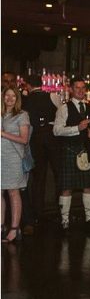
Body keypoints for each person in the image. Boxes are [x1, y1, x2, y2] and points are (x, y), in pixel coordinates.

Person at [53, 77, 90, 231]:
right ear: (71, 89)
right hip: (69, 151)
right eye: (77, 88)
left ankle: (89, 218)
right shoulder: (63, 108)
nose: (80, 90)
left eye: (82, 88)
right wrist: (77, 128)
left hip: (87, 151)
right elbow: (57, 130)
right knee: (67, 188)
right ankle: (64, 220)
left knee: (88, 186)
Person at [22, 74, 62, 229]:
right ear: (42, 83)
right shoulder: (52, 96)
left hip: (35, 138)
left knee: (39, 177)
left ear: (28, 86)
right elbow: (60, 115)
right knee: (58, 173)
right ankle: (60, 211)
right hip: (52, 136)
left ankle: (37, 213)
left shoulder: (25, 100)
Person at [1, 86, 31, 243]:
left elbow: (24, 139)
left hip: (14, 159)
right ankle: (1, 227)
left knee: (13, 192)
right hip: (0, 158)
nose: (10, 99)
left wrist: (3, 133)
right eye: (7, 95)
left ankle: (14, 228)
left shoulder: (22, 115)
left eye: (13, 96)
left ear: (17, 99)